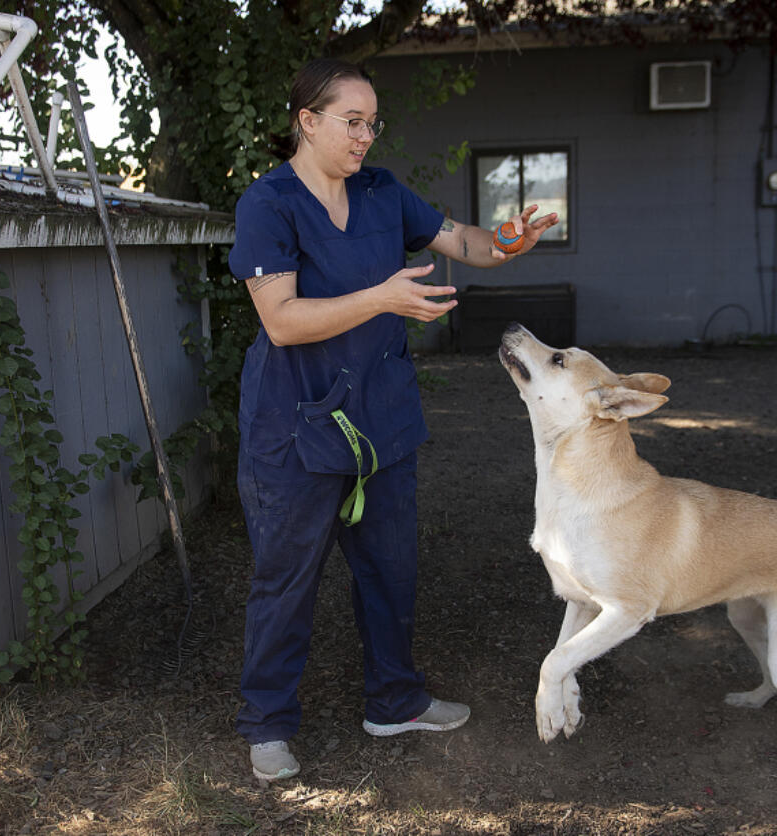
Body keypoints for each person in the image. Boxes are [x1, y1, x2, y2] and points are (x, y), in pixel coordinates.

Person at [227, 57, 558, 783]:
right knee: (286, 581)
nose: (366, 136)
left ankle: (395, 700)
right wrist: (382, 298)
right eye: (353, 121)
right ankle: (269, 722)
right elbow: (281, 321)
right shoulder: (270, 205)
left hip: (380, 419)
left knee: (391, 571)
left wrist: (505, 244)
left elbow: (462, 241)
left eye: (373, 122)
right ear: (307, 121)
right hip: (296, 426)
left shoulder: (381, 192)